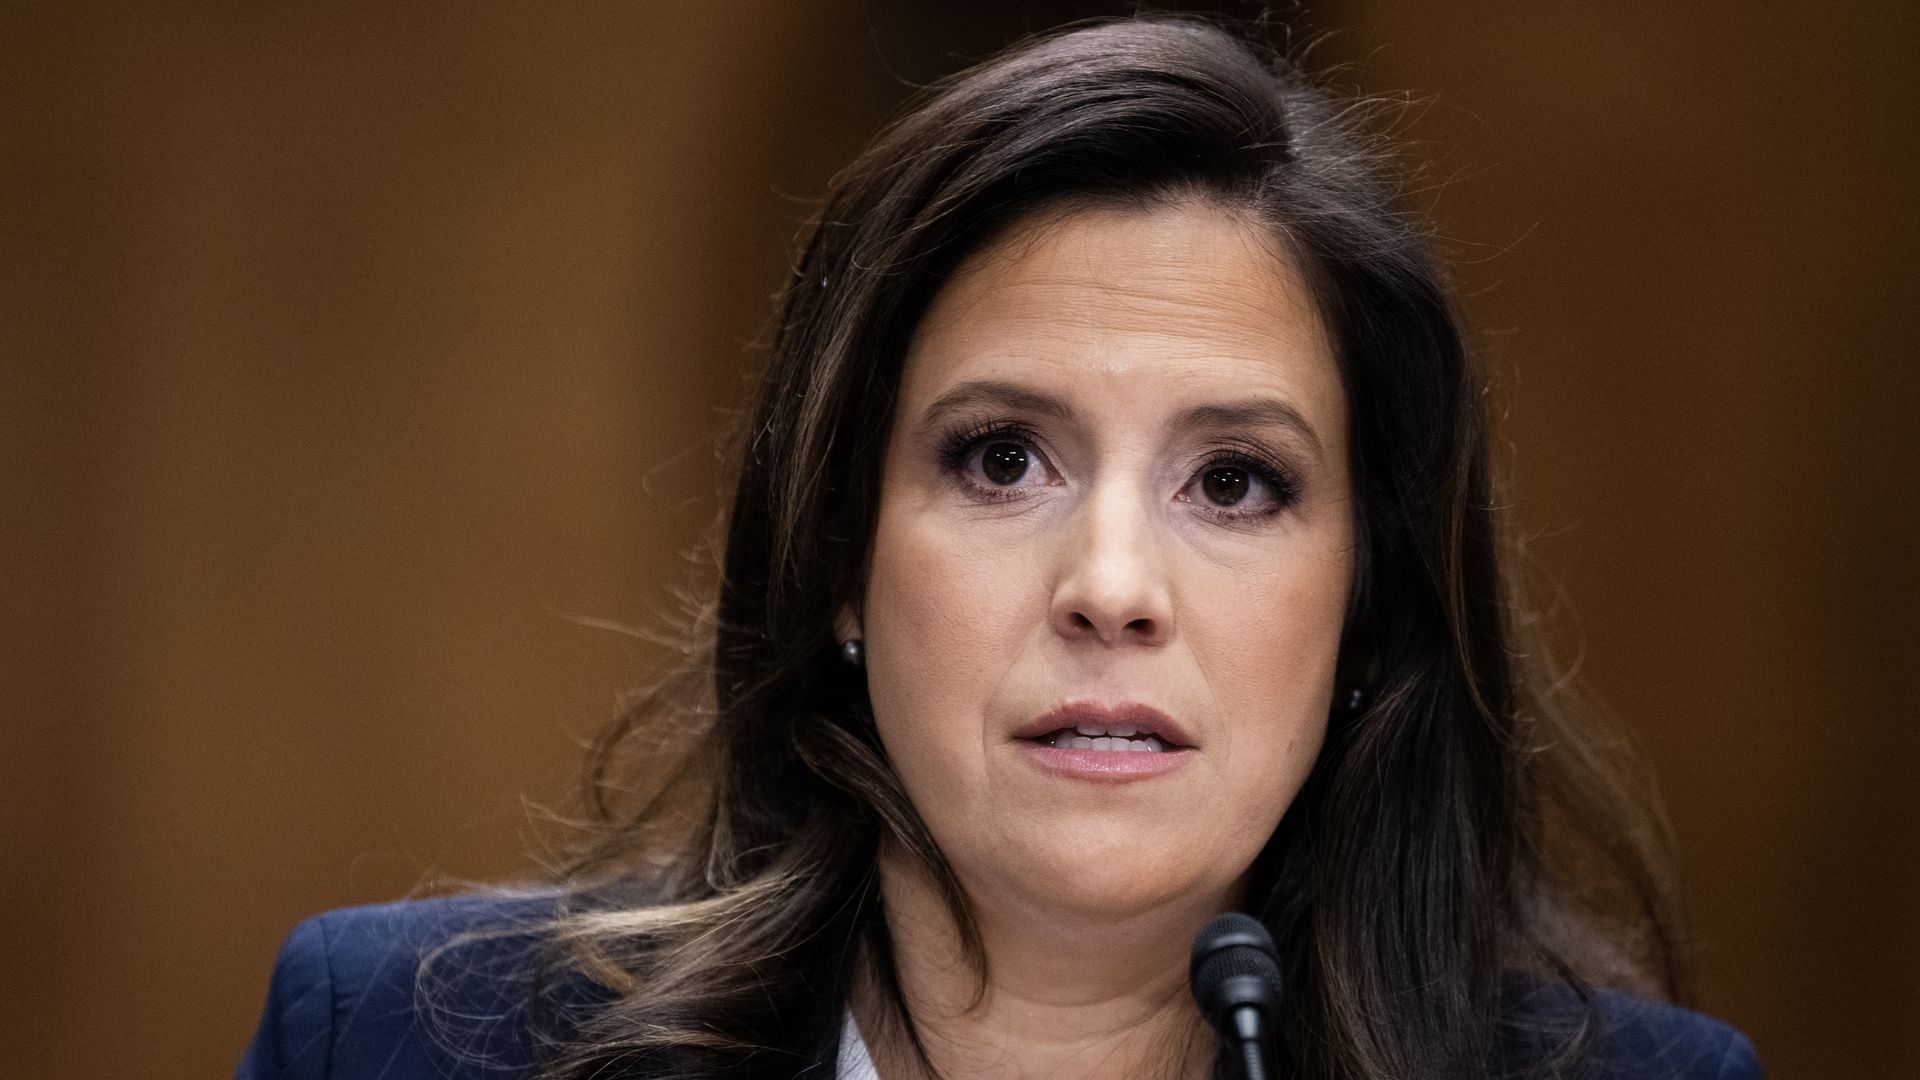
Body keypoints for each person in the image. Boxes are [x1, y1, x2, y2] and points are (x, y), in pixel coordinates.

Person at [238, 14, 1760, 1080]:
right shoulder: (393, 1044)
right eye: (1003, 459)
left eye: (1235, 483)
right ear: (839, 557)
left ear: (1369, 603)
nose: (1112, 588)